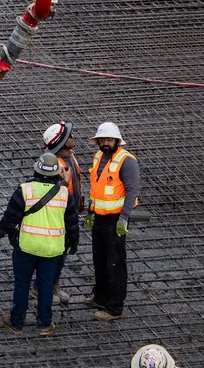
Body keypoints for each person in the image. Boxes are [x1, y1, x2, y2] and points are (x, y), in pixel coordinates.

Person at [0, 152, 79, 336]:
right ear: (58, 173)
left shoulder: (25, 190)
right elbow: (72, 223)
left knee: (22, 285)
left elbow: (9, 219)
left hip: (26, 247)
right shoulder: (65, 194)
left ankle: (16, 323)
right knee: (46, 286)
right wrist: (74, 244)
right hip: (52, 249)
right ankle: (45, 324)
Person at [84, 121, 140, 321]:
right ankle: (101, 297)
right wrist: (91, 211)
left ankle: (115, 308)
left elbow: (132, 190)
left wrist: (124, 218)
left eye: (109, 140)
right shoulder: (98, 156)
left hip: (116, 219)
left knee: (115, 263)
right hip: (100, 216)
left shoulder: (126, 161)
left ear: (117, 140)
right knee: (100, 259)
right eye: (103, 140)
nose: (106, 143)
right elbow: (95, 187)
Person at [42, 121, 82, 305]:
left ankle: (54, 285)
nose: (73, 137)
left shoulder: (70, 157)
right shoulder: (52, 163)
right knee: (52, 254)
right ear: (62, 141)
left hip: (70, 213)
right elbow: (47, 190)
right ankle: (40, 288)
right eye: (70, 135)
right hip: (57, 216)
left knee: (63, 252)